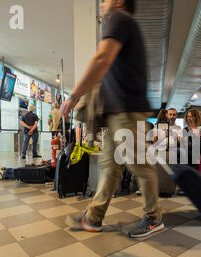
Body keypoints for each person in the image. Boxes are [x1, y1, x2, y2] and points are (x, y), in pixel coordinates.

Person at [61, 0, 163, 238]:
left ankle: (154, 217)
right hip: (118, 112)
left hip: (127, 110)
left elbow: (101, 60)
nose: (101, 3)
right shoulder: (123, 23)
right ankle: (93, 216)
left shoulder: (119, 18)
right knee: (110, 167)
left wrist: (74, 96)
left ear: (118, 1)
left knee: (139, 164)